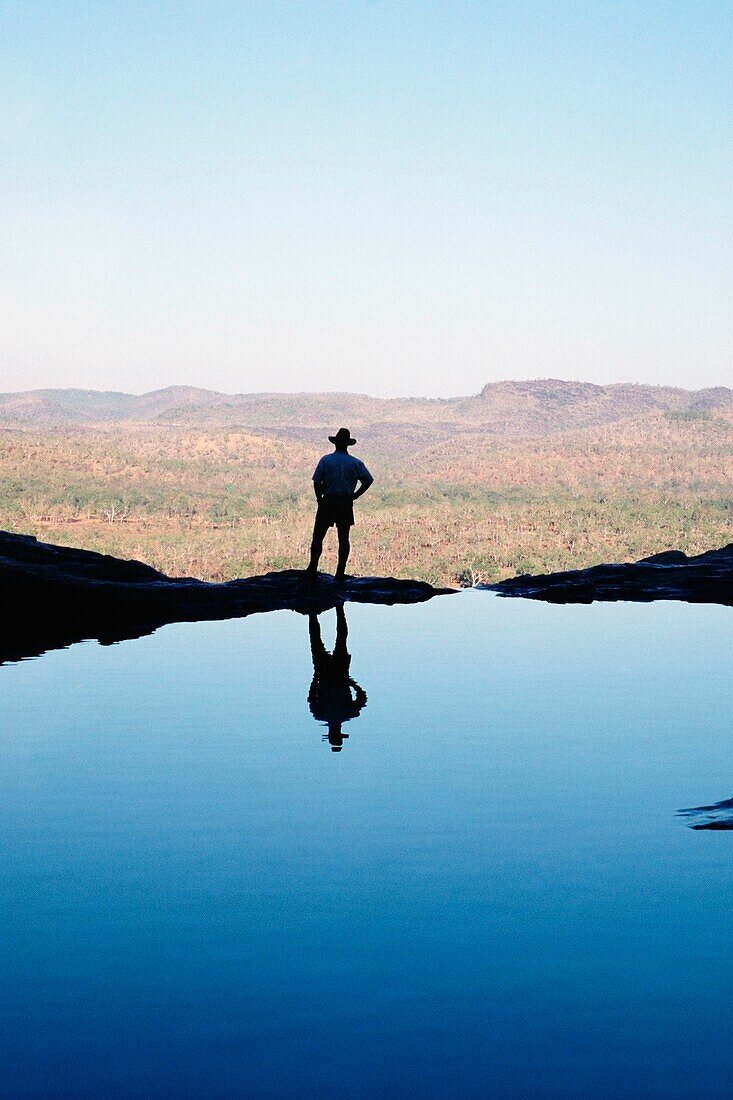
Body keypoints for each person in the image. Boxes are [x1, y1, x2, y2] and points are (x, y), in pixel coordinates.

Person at [305, 427, 373, 582]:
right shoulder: (355, 463)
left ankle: (312, 567)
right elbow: (368, 480)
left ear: (335, 444)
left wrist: (319, 498)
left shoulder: (326, 460)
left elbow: (317, 482)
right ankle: (340, 572)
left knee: (318, 536)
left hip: (327, 501)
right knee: (344, 538)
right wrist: (355, 495)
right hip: (345, 502)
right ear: (347, 445)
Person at [308, 606, 367, 752]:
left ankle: (319, 612)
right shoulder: (320, 714)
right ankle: (322, 612)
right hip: (328, 676)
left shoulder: (348, 714)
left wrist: (351, 683)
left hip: (336, 676)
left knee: (337, 639)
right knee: (322, 640)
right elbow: (311, 696)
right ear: (330, 732)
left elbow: (362, 697)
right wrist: (351, 683)